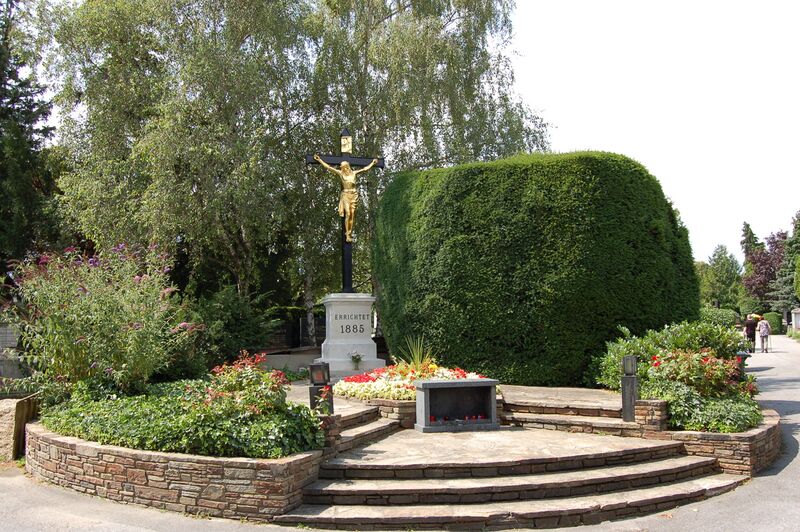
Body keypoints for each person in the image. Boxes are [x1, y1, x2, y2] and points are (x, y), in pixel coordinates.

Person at [313, 154, 379, 243]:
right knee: (347, 213)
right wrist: (319, 160)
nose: (342, 169)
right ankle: (347, 235)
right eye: (341, 167)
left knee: (352, 214)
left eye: (343, 167)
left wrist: (372, 163)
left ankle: (349, 233)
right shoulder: (340, 173)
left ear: (347, 167)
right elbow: (329, 167)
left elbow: (365, 169)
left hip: (354, 195)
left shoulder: (354, 173)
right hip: (345, 195)